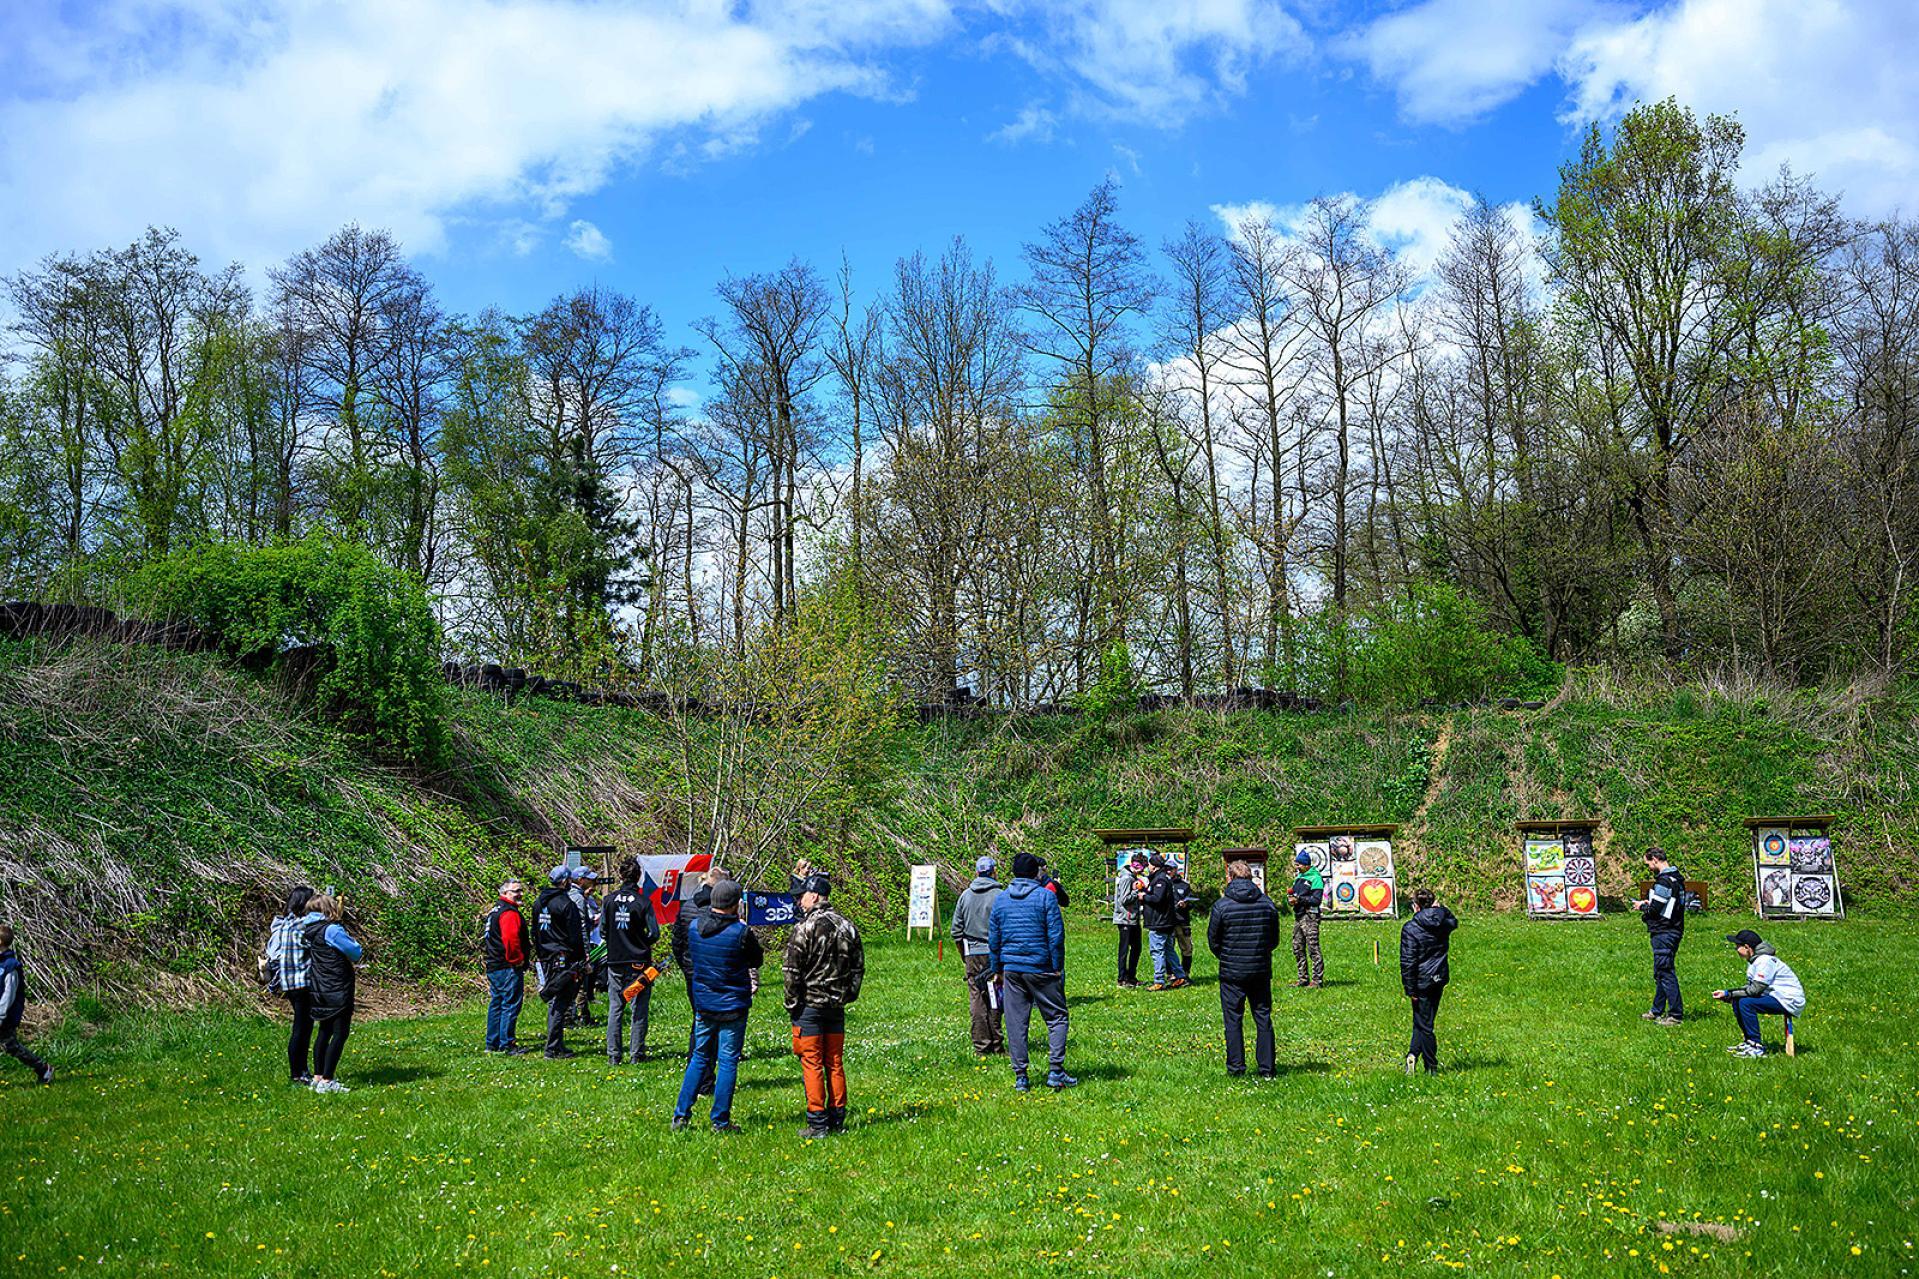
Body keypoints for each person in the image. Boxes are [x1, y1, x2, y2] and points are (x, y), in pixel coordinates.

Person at [673, 879, 763, 1132]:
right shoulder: (740, 933)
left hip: (704, 1002)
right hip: (732, 1004)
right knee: (727, 1061)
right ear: (735, 905)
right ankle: (720, 1120)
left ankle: (681, 1114)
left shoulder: (694, 928)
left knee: (699, 1058)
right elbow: (756, 959)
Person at [783, 873, 866, 1137]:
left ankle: (817, 1122)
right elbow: (858, 967)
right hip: (835, 1006)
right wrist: (848, 995)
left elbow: (791, 971)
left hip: (809, 1007)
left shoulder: (805, 928)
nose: (799, 901)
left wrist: (792, 1003)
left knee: (812, 1063)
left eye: (802, 896)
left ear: (815, 895)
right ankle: (837, 1118)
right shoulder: (847, 926)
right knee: (834, 1062)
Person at [988, 852, 1075, 1092]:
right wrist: (1057, 967)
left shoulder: (1001, 900)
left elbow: (994, 939)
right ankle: (1056, 1071)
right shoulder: (1046, 898)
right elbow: (1056, 937)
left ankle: (1021, 1077)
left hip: (1013, 969)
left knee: (1016, 1023)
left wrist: (997, 969)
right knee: (1057, 1017)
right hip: (1041, 968)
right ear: (1035, 872)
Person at [1206, 861, 1280, 1078]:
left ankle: (1236, 1068)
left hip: (1232, 971)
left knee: (1233, 1020)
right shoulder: (1267, 904)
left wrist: (1227, 956)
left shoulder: (1222, 906)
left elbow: (1214, 940)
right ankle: (1267, 1069)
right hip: (1260, 969)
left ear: (1229, 878)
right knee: (1263, 1017)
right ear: (1251, 878)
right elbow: (1273, 939)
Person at [302, 893, 363, 1093]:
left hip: (319, 987)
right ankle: (328, 1081)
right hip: (337, 987)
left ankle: (318, 1077)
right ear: (327, 909)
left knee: (324, 1031)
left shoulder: (309, 929)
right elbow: (355, 952)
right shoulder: (332, 930)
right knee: (340, 1033)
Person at [603, 857, 662, 1064]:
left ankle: (613, 1055)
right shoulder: (643, 902)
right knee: (639, 1008)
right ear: (638, 877)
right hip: (639, 962)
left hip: (615, 961)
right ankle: (636, 1053)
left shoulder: (608, 900)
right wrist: (641, 942)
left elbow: (603, 930)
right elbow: (655, 932)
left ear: (620, 875)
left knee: (616, 1007)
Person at [1712, 929, 1806, 1057]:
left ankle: (1756, 1046)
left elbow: (1755, 990)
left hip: (1789, 1000)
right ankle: (1749, 1041)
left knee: (1746, 1003)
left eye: (1737, 946)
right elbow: (1751, 988)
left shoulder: (1764, 961)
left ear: (1747, 947)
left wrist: (1729, 993)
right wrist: (1729, 995)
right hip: (1776, 996)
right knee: (1738, 1001)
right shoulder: (1756, 961)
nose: (1736, 949)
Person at [949, 856, 1005, 1055]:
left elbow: (956, 931)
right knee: (995, 998)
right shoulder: (1000, 895)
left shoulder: (965, 896)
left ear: (976, 873)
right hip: (995, 953)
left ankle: (981, 1046)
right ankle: (997, 1045)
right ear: (993, 871)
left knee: (977, 999)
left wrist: (964, 954)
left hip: (972, 953)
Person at [1398, 888, 1457, 1075]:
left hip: (1421, 981)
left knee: (1425, 1025)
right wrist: (1441, 909)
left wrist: (1410, 989)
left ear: (1416, 906)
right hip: (1438, 978)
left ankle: (1431, 1066)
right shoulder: (1443, 923)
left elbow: (1408, 961)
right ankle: (1413, 1054)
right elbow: (1453, 920)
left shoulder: (1410, 928)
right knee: (1422, 1020)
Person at [534, 866, 587, 1059]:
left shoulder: (540, 902)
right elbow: (575, 936)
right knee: (561, 1001)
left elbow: (535, 931)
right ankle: (552, 1047)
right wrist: (581, 960)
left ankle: (558, 1043)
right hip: (564, 958)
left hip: (546, 957)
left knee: (556, 1000)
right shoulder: (566, 904)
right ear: (565, 882)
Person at [266, 884, 316, 1082]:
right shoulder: (301, 925)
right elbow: (316, 943)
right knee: (302, 1028)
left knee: (301, 1026)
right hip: (302, 981)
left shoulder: (286, 923)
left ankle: (300, 1071)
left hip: (290, 982)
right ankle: (299, 1072)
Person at [1634, 847, 1687, 1025]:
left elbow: (1655, 909)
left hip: (1664, 931)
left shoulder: (1664, 881)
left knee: (1665, 971)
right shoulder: (1677, 878)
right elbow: (1669, 904)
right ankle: (1656, 1010)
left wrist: (1642, 907)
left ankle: (1675, 1015)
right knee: (1661, 971)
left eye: (1648, 863)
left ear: (1655, 859)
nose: (1648, 867)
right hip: (1674, 928)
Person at [482, 880, 531, 1054]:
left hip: (494, 964)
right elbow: (511, 939)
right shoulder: (509, 913)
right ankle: (507, 1043)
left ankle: (492, 1042)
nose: (520, 894)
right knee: (510, 1004)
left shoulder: (494, 911)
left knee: (497, 1002)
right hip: (507, 965)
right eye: (515, 891)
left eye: (521, 890)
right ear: (505, 893)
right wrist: (517, 959)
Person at [0, 924, 53, 1085]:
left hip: (5, 1016)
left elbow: (8, 995)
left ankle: (43, 1068)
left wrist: (1, 1015)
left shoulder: (11, 966)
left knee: (11, 1046)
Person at [1141, 854, 1189, 990]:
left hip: (1160, 922)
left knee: (1157, 951)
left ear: (1155, 867)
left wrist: (1143, 896)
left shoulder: (1160, 880)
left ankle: (1159, 981)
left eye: (1149, 864)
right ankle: (1180, 977)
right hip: (1166, 921)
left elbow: (1157, 898)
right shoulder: (1160, 878)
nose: (1148, 866)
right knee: (1169, 950)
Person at [1286, 850, 1325, 987]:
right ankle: (1303, 979)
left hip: (1310, 917)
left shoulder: (1316, 878)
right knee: (1297, 948)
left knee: (1313, 948)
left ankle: (1317, 980)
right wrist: (1291, 900)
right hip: (1299, 916)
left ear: (1306, 864)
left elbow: (1316, 900)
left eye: (1299, 864)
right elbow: (1295, 896)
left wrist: (1299, 900)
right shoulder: (1298, 878)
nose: (1297, 867)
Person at [570, 867, 603, 1028]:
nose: (593, 883)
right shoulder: (578, 898)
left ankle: (572, 1015)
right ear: (581, 880)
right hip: (579, 945)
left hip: (570, 945)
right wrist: (585, 952)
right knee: (580, 980)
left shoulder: (571, 895)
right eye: (589, 879)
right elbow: (582, 925)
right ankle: (582, 1016)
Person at [1112, 852, 1147, 988]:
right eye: (1143, 867)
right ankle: (1122, 979)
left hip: (1133, 918)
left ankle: (1131, 977)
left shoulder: (1132, 876)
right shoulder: (1127, 878)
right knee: (1124, 949)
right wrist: (1137, 892)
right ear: (1137, 866)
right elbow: (1124, 899)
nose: (1144, 870)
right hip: (1125, 919)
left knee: (1137, 948)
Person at [1171, 865, 1199, 976]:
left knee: (1187, 948)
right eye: (1167, 868)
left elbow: (1191, 901)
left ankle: (1185, 973)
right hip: (1169, 922)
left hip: (1183, 921)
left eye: (1171, 868)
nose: (1169, 870)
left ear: (1176, 869)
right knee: (1169, 949)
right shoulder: (1163, 883)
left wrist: (1185, 904)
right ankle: (1171, 974)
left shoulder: (1184, 885)